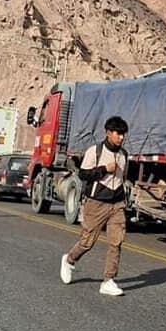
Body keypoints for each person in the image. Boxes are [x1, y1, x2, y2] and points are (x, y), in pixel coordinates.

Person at [59, 115, 130, 296]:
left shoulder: (124, 155)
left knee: (116, 242)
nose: (121, 137)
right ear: (108, 133)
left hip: (117, 204)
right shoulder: (95, 151)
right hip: (96, 203)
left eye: (123, 134)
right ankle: (69, 260)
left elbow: (123, 178)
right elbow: (83, 174)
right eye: (118, 133)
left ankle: (108, 280)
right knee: (87, 242)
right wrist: (104, 169)